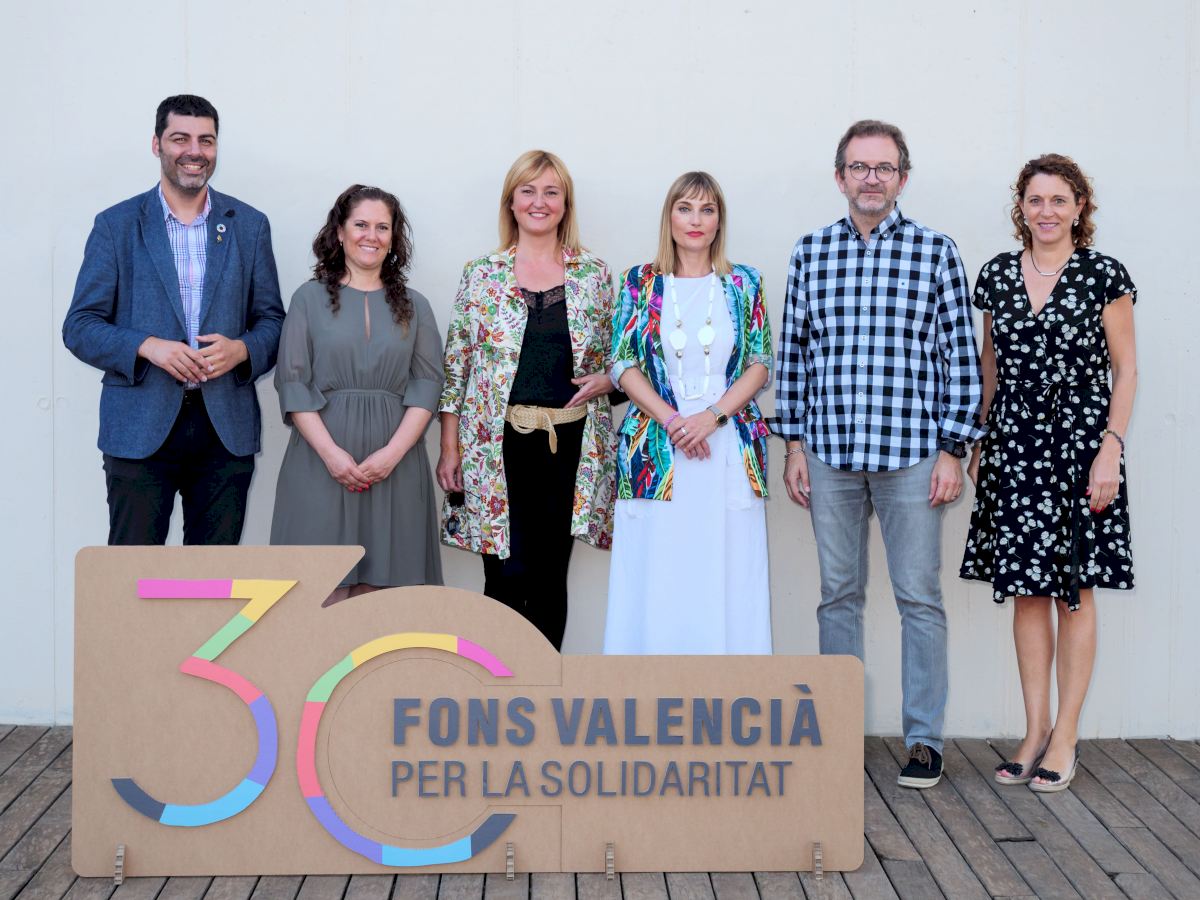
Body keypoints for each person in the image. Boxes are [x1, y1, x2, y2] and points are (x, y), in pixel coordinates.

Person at [775, 120, 984, 788]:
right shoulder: (811, 252)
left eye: (884, 167)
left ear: (902, 178)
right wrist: (794, 446)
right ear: (840, 177)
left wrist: (954, 449)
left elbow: (961, 357)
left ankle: (924, 739)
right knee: (837, 596)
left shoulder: (935, 252)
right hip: (830, 453)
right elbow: (794, 356)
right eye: (860, 167)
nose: (872, 178)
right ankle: (837, 737)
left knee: (919, 597)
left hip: (913, 455)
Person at [961, 155, 1137, 793]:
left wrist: (1111, 449)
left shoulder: (1104, 275)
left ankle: (1066, 735)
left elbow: (1126, 370)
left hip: (1082, 446)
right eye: (1035, 200)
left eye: (1059, 200)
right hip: (1014, 444)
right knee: (1028, 591)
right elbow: (990, 368)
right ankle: (1035, 731)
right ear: (1022, 207)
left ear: (1079, 207)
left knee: (1075, 590)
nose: (1046, 211)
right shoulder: (997, 275)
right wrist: (980, 441)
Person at [63, 94, 284, 545]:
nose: (194, 151)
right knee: (133, 574)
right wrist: (147, 346)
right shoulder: (116, 225)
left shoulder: (249, 225)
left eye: (206, 140)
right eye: (180, 138)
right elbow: (80, 325)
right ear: (156, 144)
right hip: (139, 428)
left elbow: (272, 321)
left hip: (224, 430)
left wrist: (242, 349)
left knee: (213, 578)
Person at [437, 150, 618, 650]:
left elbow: (620, 362)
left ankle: (542, 689)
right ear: (511, 202)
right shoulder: (481, 274)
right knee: (503, 575)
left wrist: (609, 379)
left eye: (551, 192)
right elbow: (456, 370)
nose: (540, 202)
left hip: (571, 447)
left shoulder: (594, 275)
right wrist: (449, 449)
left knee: (549, 577)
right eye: (528, 191)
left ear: (565, 204)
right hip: (495, 448)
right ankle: (497, 686)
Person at [603, 172, 772, 655]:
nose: (696, 220)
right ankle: (649, 686)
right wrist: (674, 421)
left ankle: (731, 688)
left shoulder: (744, 282)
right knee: (658, 571)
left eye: (707, 209)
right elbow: (622, 363)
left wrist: (711, 417)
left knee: (728, 568)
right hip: (657, 445)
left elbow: (760, 363)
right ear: (669, 217)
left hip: (726, 440)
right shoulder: (639, 282)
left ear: (719, 220)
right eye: (685, 208)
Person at [271, 185, 444, 601]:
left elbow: (428, 384)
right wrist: (332, 455)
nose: (372, 236)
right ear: (340, 232)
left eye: (383, 227)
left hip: (396, 467)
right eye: (361, 224)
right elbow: (293, 382)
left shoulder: (416, 306)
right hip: (320, 462)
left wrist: (392, 455)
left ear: (393, 237)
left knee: (385, 604)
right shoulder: (307, 299)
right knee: (318, 593)